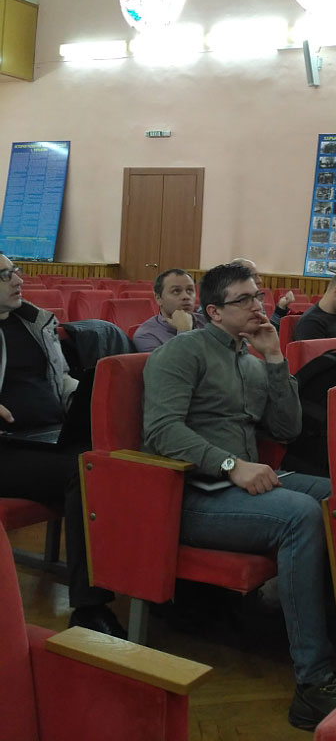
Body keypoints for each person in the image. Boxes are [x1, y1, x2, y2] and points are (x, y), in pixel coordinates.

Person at [142, 262, 336, 730]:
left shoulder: (250, 359)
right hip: (190, 495)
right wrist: (232, 465)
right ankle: (313, 682)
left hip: (243, 488)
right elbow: (161, 432)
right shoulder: (183, 352)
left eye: (259, 296)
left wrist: (274, 360)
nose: (258, 306)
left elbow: (287, 428)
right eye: (245, 299)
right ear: (214, 311)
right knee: (299, 514)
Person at [0, 253, 125, 636]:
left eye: (15, 271)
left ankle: (144, 584)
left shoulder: (34, 323)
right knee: (84, 470)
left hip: (48, 435)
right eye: (4, 275)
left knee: (116, 458)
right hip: (6, 448)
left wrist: (89, 393)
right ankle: (88, 608)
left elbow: (61, 379)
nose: (18, 280)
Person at [132, 268, 205, 352]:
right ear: (158, 299)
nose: (186, 296)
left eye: (190, 290)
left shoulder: (208, 322)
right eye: (176, 291)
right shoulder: (147, 335)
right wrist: (184, 330)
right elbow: (179, 360)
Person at [231, 257, 295, 331]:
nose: (260, 280)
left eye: (258, 275)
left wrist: (281, 307)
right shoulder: (231, 304)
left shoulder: (257, 300)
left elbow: (266, 331)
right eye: (254, 276)